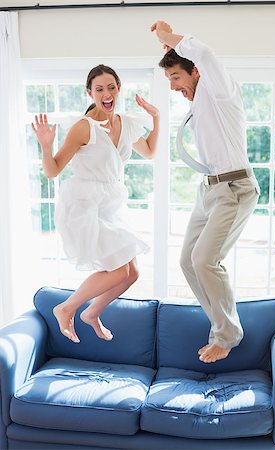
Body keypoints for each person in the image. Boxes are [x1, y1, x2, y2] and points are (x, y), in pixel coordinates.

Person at [151, 21, 260, 363]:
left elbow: (206, 54)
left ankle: (228, 335)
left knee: (205, 260)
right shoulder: (198, 104)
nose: (173, 87)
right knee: (188, 261)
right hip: (209, 189)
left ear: (196, 72)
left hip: (235, 186)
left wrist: (169, 38)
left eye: (177, 78)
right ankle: (220, 326)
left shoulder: (221, 92)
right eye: (169, 80)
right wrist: (172, 54)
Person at [32, 64, 159, 344]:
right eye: (99, 89)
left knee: (132, 273)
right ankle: (65, 308)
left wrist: (157, 118)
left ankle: (91, 313)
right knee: (119, 270)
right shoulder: (83, 128)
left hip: (111, 203)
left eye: (111, 87)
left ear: (119, 89)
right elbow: (53, 170)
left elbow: (149, 151)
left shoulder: (124, 123)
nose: (106, 93)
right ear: (90, 93)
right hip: (84, 204)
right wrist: (45, 145)